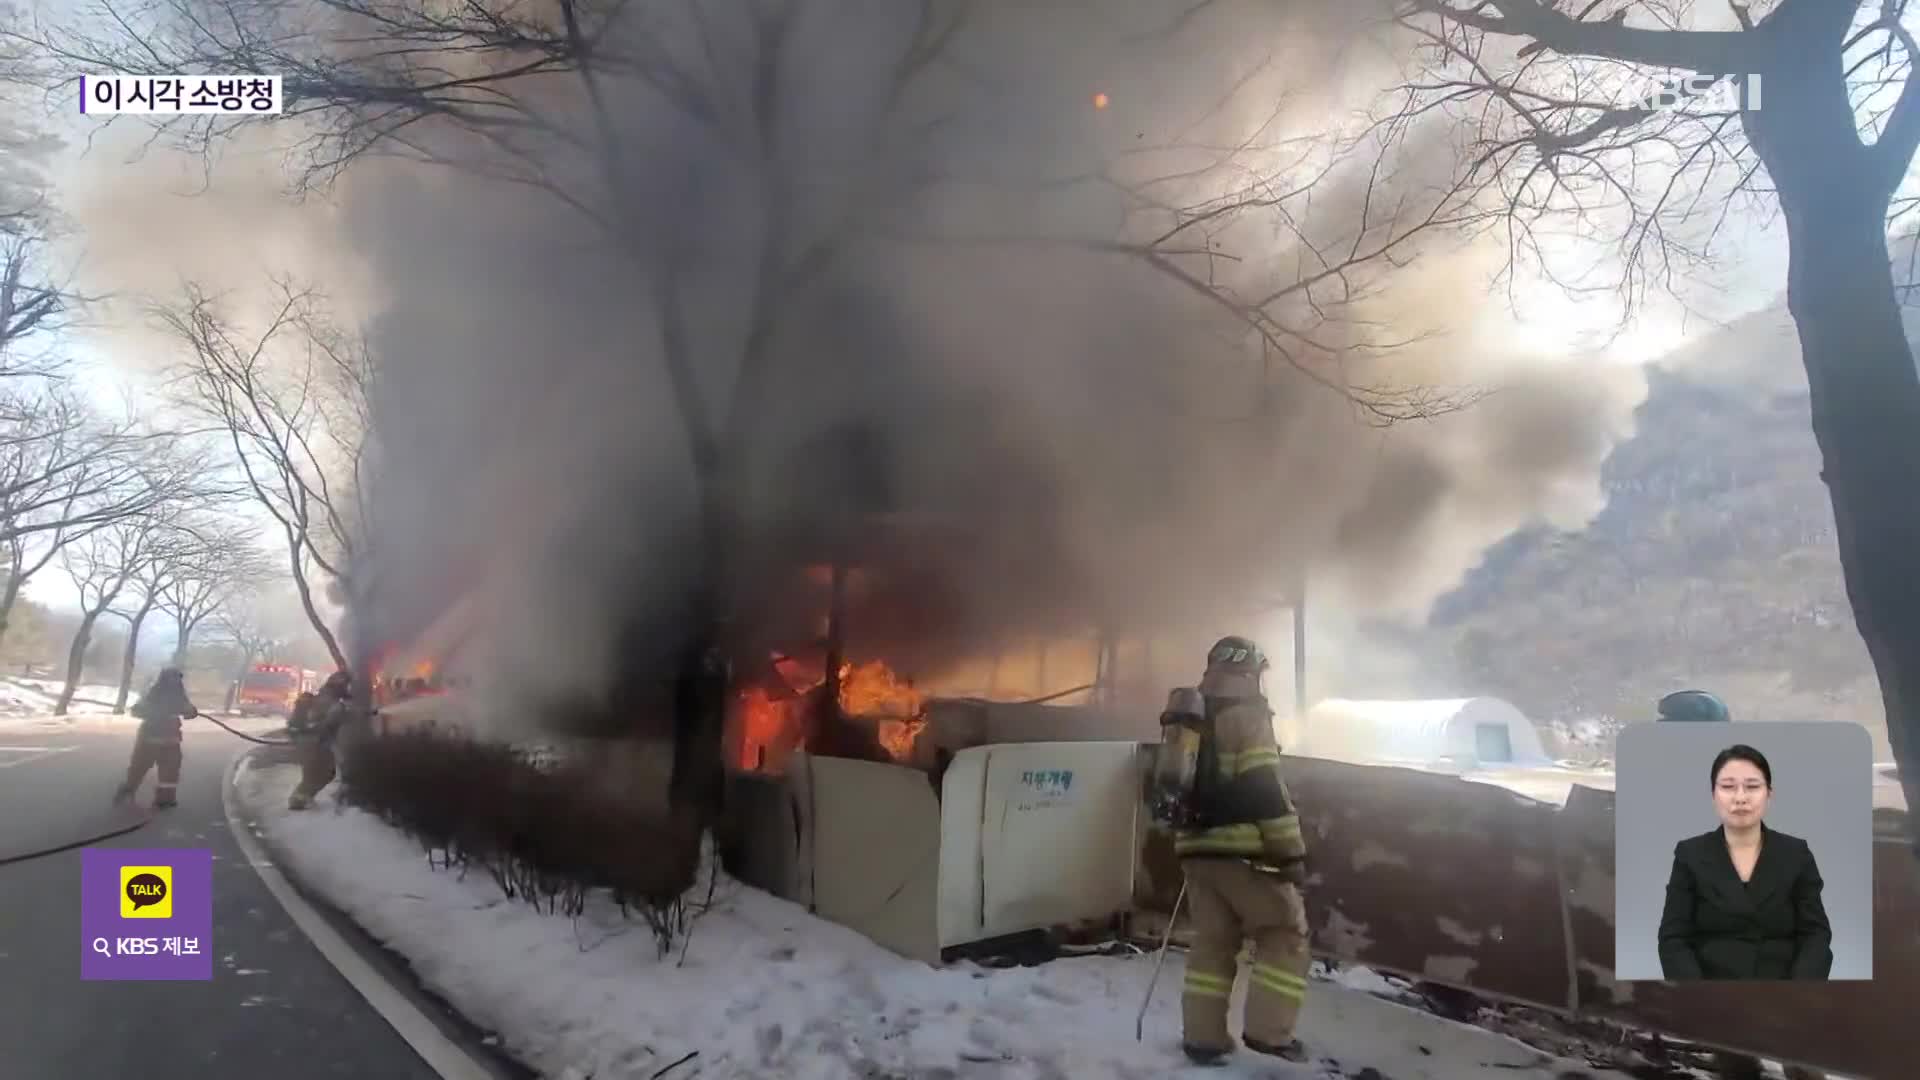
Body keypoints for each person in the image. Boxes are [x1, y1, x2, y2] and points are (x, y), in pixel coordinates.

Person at [1171, 635, 1312, 1067]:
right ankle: (1270, 1034)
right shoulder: (1249, 715)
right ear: (1248, 671)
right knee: (1285, 934)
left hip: (1195, 850)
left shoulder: (1190, 718)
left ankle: (1203, 1040)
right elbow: (1265, 788)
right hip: (1245, 852)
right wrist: (1291, 851)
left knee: (1212, 943)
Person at [1657, 743, 1833, 980]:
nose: (1740, 798)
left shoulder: (1796, 854)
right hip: (1710, 995)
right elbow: (1673, 938)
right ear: (1713, 794)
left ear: (1769, 794)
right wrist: (1695, 996)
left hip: (1784, 993)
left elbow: (1816, 934)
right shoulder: (1690, 854)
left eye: (1752, 786)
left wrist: (1798, 994)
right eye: (1728, 787)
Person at [113, 668, 200, 809]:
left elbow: (190, 711)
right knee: (139, 768)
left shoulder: (178, 696)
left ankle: (165, 799)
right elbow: (137, 710)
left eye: (177, 679)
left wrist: (190, 711)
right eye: (173, 678)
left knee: (169, 771)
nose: (175, 681)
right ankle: (129, 791)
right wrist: (153, 712)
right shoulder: (154, 694)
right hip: (150, 739)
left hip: (168, 741)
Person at [286, 671, 355, 810]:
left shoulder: (325, 698)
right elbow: (327, 722)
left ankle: (302, 798)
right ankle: (298, 801)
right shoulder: (331, 703)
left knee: (317, 773)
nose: (347, 688)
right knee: (321, 773)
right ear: (339, 686)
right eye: (346, 685)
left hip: (308, 742)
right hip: (314, 743)